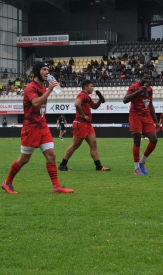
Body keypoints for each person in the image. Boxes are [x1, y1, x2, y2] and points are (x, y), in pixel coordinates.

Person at [1, 62, 74, 194]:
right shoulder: (31, 88)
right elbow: (35, 103)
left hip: (42, 126)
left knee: (51, 155)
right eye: (44, 69)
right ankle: (7, 182)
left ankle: (56, 186)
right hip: (31, 128)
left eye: (48, 69)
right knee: (24, 159)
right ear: (37, 71)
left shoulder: (43, 87)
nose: (47, 72)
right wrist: (50, 90)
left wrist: (49, 90)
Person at [58, 80, 110, 172]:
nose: (92, 88)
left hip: (87, 124)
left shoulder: (87, 97)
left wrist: (100, 101)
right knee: (75, 146)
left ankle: (98, 166)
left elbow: (94, 106)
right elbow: (77, 104)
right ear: (85, 87)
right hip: (80, 123)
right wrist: (82, 115)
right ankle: (62, 165)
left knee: (93, 145)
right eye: (91, 86)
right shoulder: (82, 95)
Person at [123, 72, 160, 176]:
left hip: (147, 116)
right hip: (135, 116)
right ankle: (136, 168)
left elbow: (150, 105)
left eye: (149, 79)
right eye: (145, 78)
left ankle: (142, 161)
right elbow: (125, 100)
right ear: (140, 78)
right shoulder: (133, 87)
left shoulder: (150, 89)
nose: (147, 80)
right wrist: (139, 91)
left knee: (154, 139)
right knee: (137, 142)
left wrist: (156, 121)